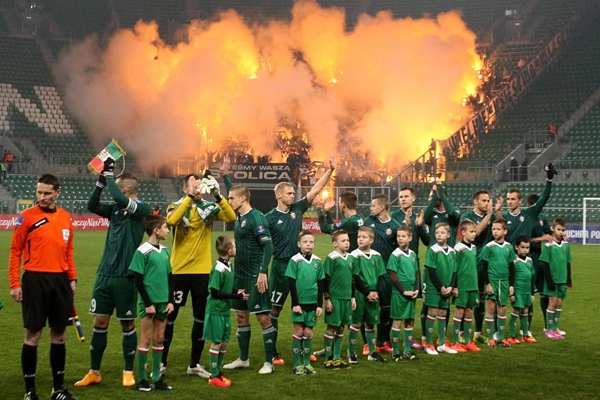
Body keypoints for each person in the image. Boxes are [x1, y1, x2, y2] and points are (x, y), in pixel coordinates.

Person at [76, 159, 150, 388]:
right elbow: (92, 205)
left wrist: (108, 175)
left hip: (126, 276)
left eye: (116, 186)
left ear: (125, 189)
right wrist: (100, 181)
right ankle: (94, 372)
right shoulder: (116, 209)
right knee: (99, 321)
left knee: (127, 324)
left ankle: (128, 372)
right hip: (104, 274)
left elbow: (118, 197)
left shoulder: (142, 209)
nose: (113, 190)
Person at [9, 174, 78, 400]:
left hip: (60, 281)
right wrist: (15, 283)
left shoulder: (66, 218)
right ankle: (30, 392)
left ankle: (58, 390)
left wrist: (72, 278)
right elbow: (15, 251)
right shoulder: (26, 218)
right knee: (34, 335)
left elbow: (68, 251)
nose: (42, 197)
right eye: (39, 192)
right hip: (34, 280)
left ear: (58, 193)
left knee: (59, 335)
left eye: (47, 193)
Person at [161, 172, 235, 379]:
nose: (199, 189)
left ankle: (194, 364)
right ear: (185, 189)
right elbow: (172, 221)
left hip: (203, 272)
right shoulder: (175, 206)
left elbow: (231, 217)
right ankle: (162, 362)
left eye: (202, 186)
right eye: (194, 186)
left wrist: (218, 196)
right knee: (170, 317)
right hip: (178, 271)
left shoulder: (208, 209)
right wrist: (189, 199)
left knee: (201, 319)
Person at [265, 164, 333, 365]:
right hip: (279, 268)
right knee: (274, 310)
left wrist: (329, 171)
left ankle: (305, 350)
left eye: (293, 193)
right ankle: (273, 352)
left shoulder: (297, 208)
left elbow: (315, 190)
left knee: (305, 308)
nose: (292, 196)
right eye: (288, 193)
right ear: (278, 195)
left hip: (300, 267)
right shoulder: (269, 218)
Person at [223, 185, 275, 374]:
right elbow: (233, 188)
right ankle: (243, 359)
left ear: (243, 198)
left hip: (255, 276)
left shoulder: (256, 218)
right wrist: (225, 176)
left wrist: (263, 272)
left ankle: (269, 362)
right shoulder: (240, 215)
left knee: (262, 317)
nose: (229, 201)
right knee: (241, 316)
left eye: (231, 198)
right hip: (239, 276)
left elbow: (268, 247)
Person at [129, 215, 174, 392]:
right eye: (165, 227)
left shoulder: (165, 251)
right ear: (156, 230)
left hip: (163, 302)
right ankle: (141, 379)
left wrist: (171, 301)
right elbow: (138, 280)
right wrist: (148, 303)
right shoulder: (142, 251)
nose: (168, 230)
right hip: (149, 303)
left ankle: (156, 378)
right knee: (146, 338)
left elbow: (170, 278)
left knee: (159, 338)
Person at [204, 236, 249, 387]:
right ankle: (213, 375)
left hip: (224, 310)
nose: (236, 249)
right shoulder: (218, 268)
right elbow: (215, 292)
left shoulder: (228, 265)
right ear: (229, 251)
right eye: (235, 247)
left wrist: (237, 291)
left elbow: (226, 286)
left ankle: (219, 372)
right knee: (216, 342)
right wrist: (235, 296)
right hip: (216, 310)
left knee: (223, 343)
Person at [389, 187, 429, 349]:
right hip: (399, 267)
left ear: (413, 198)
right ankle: (394, 342)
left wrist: (418, 226)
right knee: (397, 310)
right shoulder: (394, 216)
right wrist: (404, 225)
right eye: (400, 197)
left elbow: (426, 241)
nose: (403, 199)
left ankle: (408, 340)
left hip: (412, 266)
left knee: (410, 310)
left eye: (406, 196)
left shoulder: (419, 217)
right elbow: (391, 239)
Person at [460, 190, 501, 343]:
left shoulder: (492, 216)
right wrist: (489, 215)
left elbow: (502, 228)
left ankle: (481, 332)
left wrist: (496, 213)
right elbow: (476, 232)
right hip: (473, 263)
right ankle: (466, 332)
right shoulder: (467, 217)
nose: (487, 203)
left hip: (490, 264)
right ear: (475, 202)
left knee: (488, 298)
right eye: (484, 200)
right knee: (472, 300)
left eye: (488, 200)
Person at [364, 194, 403, 354]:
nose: (370, 208)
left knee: (386, 309)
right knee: (369, 307)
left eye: (373, 206)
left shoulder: (394, 227)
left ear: (382, 207)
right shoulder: (368, 222)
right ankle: (368, 343)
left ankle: (382, 341)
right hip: (368, 272)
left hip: (386, 274)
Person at [286, 230, 325, 376]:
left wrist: (319, 305)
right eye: (305, 242)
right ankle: (297, 364)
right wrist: (295, 303)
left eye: (311, 242)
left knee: (308, 332)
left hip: (312, 303)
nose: (308, 244)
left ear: (314, 244)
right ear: (299, 244)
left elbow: (321, 283)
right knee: (298, 331)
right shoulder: (295, 260)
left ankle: (307, 363)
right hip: (299, 304)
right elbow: (291, 282)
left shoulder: (317, 261)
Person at [348, 226, 386, 363]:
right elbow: (355, 277)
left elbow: (381, 276)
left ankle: (372, 352)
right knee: (356, 323)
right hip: (360, 293)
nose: (360, 239)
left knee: (371, 323)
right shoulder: (354, 255)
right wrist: (367, 293)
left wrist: (376, 292)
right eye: (359, 237)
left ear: (371, 240)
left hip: (373, 294)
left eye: (364, 237)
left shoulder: (377, 255)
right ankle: (351, 352)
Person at [322, 230, 357, 369]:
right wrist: (327, 299)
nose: (347, 243)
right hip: (335, 298)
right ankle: (327, 358)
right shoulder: (332, 258)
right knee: (332, 326)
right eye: (343, 241)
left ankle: (337, 357)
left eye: (347, 240)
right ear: (335, 243)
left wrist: (353, 297)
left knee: (342, 326)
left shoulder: (351, 259)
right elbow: (325, 280)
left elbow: (353, 280)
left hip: (347, 298)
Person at [499, 163, 555, 246]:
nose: (510, 202)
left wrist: (549, 180)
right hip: (509, 256)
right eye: (508, 199)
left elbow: (544, 198)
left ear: (520, 200)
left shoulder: (529, 213)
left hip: (525, 256)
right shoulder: (504, 216)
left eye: (513, 199)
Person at [387, 226, 421, 362]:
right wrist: (403, 291)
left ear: (410, 238)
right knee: (397, 321)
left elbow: (417, 273)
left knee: (409, 321)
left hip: (412, 293)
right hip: (399, 294)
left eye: (403, 236)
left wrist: (417, 289)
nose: (400, 238)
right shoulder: (395, 255)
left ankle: (407, 351)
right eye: (398, 236)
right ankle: (395, 353)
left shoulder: (413, 254)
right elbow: (392, 275)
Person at [423, 222, 457, 355]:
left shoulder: (453, 252)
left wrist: (451, 286)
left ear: (448, 235)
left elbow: (454, 271)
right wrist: (441, 287)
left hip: (447, 289)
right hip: (434, 288)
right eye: (437, 233)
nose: (439, 235)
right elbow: (431, 270)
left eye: (442, 233)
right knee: (432, 312)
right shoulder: (433, 250)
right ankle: (429, 344)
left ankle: (442, 343)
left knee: (443, 313)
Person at [481, 219, 516, 348]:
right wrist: (488, 283)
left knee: (502, 309)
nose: (495, 231)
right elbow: (484, 267)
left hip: (505, 282)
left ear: (505, 231)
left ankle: (500, 338)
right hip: (493, 281)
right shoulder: (488, 247)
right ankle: (490, 338)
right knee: (490, 309)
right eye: (493, 229)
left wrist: (511, 285)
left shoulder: (509, 247)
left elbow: (512, 267)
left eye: (498, 229)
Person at [451, 220, 481, 352]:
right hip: (462, 285)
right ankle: (455, 341)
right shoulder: (458, 248)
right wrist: (455, 286)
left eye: (474, 231)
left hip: (472, 285)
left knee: (469, 312)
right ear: (463, 232)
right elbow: (454, 268)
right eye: (471, 232)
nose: (474, 234)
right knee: (459, 312)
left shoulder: (474, 248)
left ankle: (468, 341)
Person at [526, 194, 553, 338]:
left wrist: (558, 236)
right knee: (529, 296)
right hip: (528, 261)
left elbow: (549, 231)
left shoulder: (542, 217)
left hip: (540, 261)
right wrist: (541, 238)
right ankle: (527, 328)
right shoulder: (526, 218)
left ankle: (548, 326)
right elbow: (523, 241)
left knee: (545, 294)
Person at [540, 218, 572, 340]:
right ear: (553, 229)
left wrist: (569, 279)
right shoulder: (548, 246)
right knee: (552, 303)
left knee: (559, 303)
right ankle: (549, 329)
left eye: (563, 230)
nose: (560, 232)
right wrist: (549, 280)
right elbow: (545, 264)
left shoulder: (566, 245)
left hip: (562, 280)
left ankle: (555, 328)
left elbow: (568, 262)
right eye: (558, 229)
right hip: (552, 280)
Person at [508, 236, 537, 345]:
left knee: (525, 312)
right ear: (516, 247)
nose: (525, 250)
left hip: (527, 291)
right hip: (518, 291)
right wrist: (512, 293)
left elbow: (532, 276)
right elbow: (511, 277)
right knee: (516, 312)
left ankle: (525, 335)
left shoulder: (530, 261)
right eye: (523, 247)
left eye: (527, 248)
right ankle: (512, 336)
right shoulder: (514, 261)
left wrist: (532, 292)